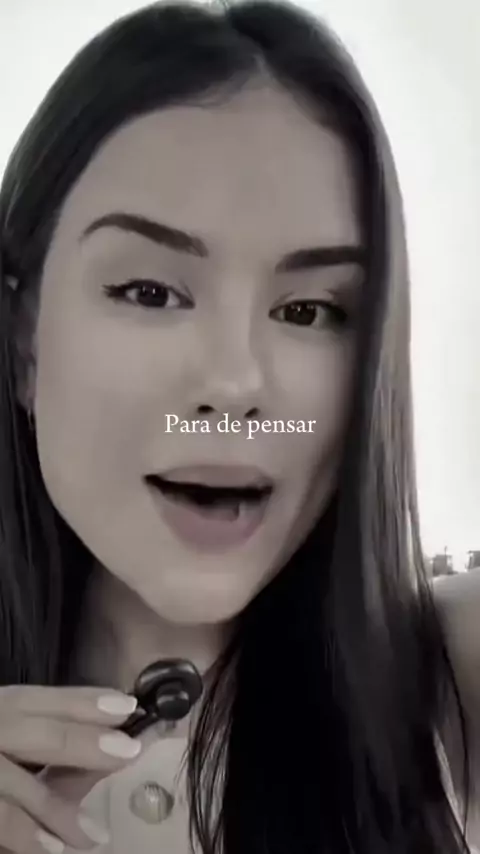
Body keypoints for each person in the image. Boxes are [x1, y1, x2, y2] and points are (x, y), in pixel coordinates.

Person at [0, 1, 478, 852]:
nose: (235, 383)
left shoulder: (453, 679)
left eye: (307, 310)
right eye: (150, 292)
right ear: (22, 339)